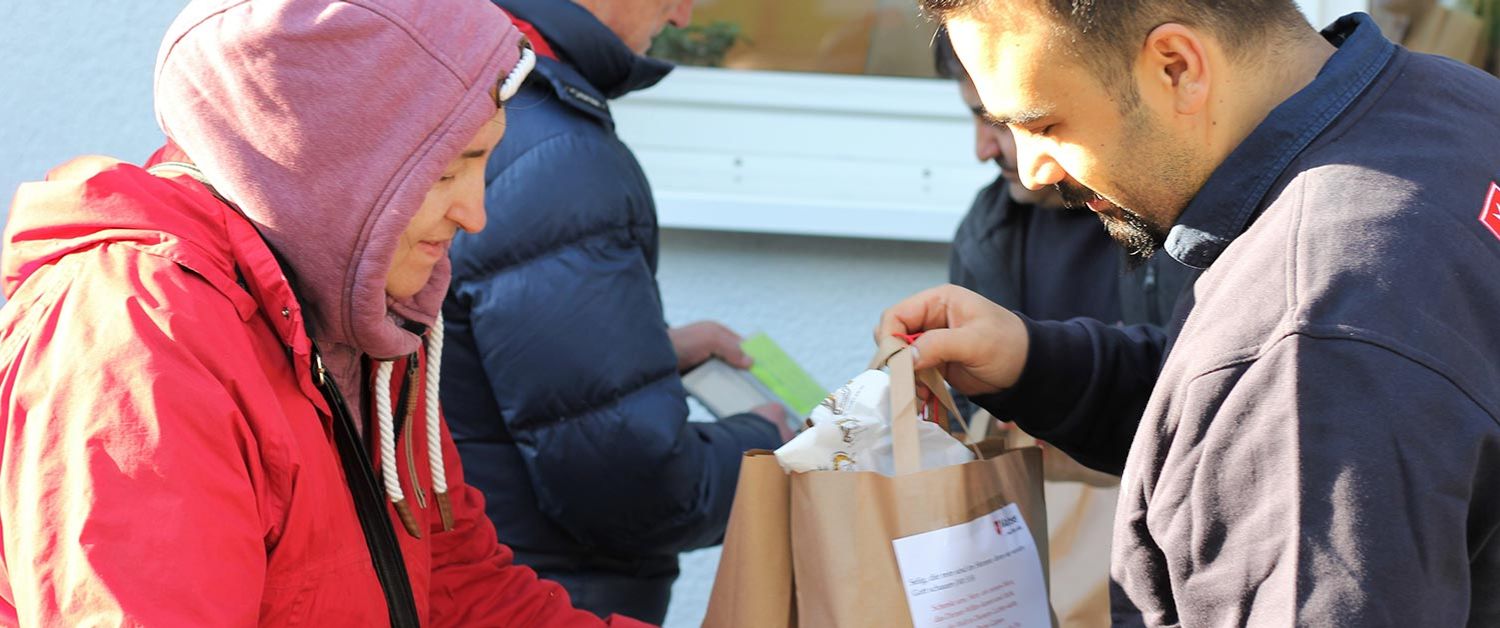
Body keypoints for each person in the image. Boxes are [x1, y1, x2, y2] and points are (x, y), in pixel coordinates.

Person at [0, 0, 645, 625]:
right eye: (448, 171)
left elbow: (457, 595)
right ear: (333, 159)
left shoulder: (361, 323)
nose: (474, 214)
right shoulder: (140, 335)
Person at [881, 1, 1500, 624]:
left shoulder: (1308, 339)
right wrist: (1034, 363)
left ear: (1176, 67)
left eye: (1044, 124)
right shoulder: (1453, 104)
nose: (1036, 171)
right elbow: (1238, 408)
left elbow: (1286, 383)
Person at [440, 0, 790, 622]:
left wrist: (649, 352)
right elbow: (633, 486)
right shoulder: (556, 151)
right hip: (554, 598)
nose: (683, 18)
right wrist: (769, 445)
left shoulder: (477, 94)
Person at [933, 27, 1192, 628]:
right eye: (982, 120)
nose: (993, 151)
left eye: (1013, 122)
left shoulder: (1194, 223)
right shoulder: (990, 229)